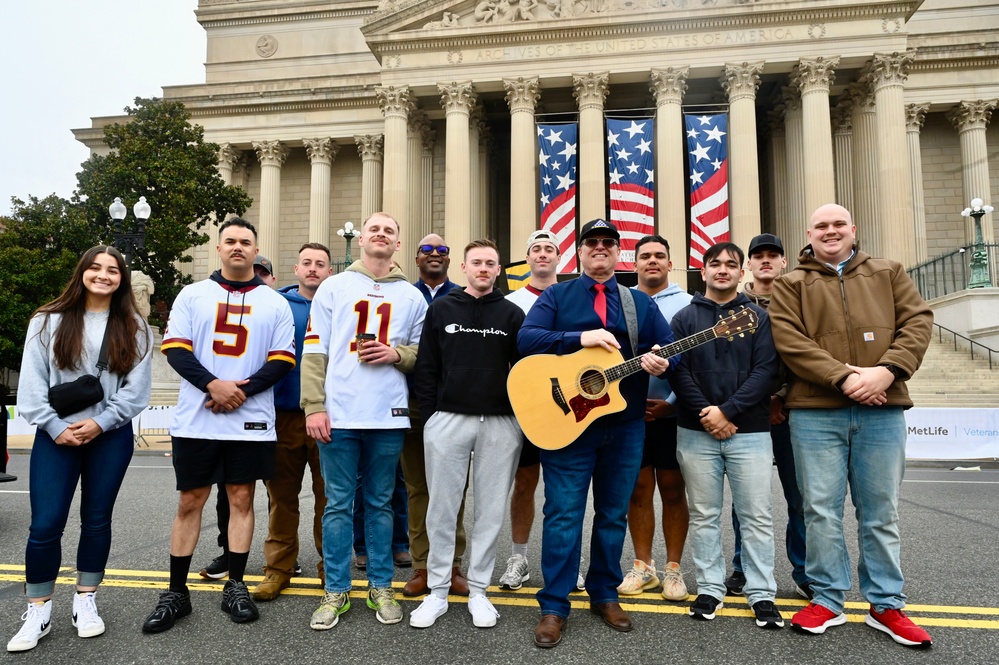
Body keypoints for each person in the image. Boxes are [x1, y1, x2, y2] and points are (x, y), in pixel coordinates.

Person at [769, 203, 934, 647]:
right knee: (819, 510)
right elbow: (789, 340)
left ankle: (885, 604)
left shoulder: (888, 272)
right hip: (815, 411)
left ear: (853, 230)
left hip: (882, 408)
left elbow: (917, 322)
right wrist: (847, 377)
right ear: (809, 233)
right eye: (821, 225)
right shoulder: (790, 284)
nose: (830, 231)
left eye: (838, 224)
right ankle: (827, 598)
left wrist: (887, 371)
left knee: (881, 512)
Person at [518, 219, 673, 649]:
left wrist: (664, 363)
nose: (600, 248)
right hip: (568, 424)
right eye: (592, 243)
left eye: (608, 242)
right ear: (580, 252)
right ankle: (554, 604)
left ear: (618, 253)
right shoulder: (557, 295)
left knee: (611, 513)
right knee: (563, 513)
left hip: (623, 426)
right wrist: (579, 336)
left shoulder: (638, 302)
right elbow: (527, 339)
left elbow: (667, 348)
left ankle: (604, 593)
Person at [142, 218, 295, 633]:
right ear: (219, 248)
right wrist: (214, 385)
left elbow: (283, 358)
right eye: (231, 241)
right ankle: (176, 593)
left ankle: (236, 585)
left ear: (256, 249)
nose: (238, 247)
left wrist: (238, 392)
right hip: (197, 418)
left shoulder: (274, 302)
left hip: (250, 420)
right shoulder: (193, 295)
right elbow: (175, 349)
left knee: (241, 498)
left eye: (246, 242)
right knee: (190, 500)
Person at [9, 246, 152, 652]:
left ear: (122, 279)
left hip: (110, 435)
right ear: (82, 272)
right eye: (95, 267)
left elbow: (135, 393)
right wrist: (55, 427)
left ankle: (85, 600)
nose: (103, 275)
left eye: (113, 270)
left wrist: (100, 422)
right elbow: (32, 386)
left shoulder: (136, 327)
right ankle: (39, 610)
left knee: (96, 521)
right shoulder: (47, 320)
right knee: (44, 525)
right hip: (56, 437)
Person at [301, 212, 427, 630]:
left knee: (379, 503)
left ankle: (381, 585)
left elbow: (423, 355)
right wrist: (313, 405)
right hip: (339, 412)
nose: (380, 234)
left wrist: (397, 354)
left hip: (388, 415)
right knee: (338, 504)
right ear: (364, 238)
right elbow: (315, 350)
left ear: (396, 244)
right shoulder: (335, 286)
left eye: (389, 230)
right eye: (374, 228)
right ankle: (336, 590)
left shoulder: (412, 295)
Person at [409, 239, 525, 629]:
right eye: (476, 262)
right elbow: (426, 367)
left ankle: (478, 591)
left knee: (490, 512)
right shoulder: (442, 308)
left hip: (499, 423)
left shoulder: (511, 314)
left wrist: (518, 418)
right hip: (448, 419)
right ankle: (438, 591)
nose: (484, 268)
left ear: (497, 269)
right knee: (441, 509)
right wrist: (431, 418)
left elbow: (524, 372)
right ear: (463, 267)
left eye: (491, 263)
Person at [670, 241, 783, 628]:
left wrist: (728, 412)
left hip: (749, 431)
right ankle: (710, 588)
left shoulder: (758, 317)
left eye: (731, 265)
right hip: (695, 431)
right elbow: (677, 370)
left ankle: (762, 592)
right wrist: (708, 414)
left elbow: (766, 370)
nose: (723, 270)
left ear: (742, 272)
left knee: (756, 515)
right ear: (702, 272)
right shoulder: (684, 318)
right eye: (715, 264)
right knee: (704, 515)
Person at [724, 233, 813, 600]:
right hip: (748, 415)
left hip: (792, 413)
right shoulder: (734, 305)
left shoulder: (800, 301)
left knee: (801, 498)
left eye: (772, 255)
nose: (765, 260)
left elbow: (805, 354)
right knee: (746, 500)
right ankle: (743, 567)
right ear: (749, 264)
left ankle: (805, 571)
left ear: (783, 262)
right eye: (758, 255)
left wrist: (781, 399)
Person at [251, 243, 334, 601]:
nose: (313, 269)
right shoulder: (277, 305)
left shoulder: (338, 304)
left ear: (330, 272)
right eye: (307, 263)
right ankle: (278, 570)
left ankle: (330, 569)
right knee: (281, 499)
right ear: (296, 269)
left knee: (329, 499)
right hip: (283, 416)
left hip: (329, 417)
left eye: (320, 264)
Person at [618, 235, 692, 602]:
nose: (652, 261)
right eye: (645, 256)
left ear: (670, 262)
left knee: (674, 490)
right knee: (638, 491)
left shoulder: (688, 304)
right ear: (634, 263)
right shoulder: (624, 300)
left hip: (671, 414)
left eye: (659, 256)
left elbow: (694, 364)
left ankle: (674, 570)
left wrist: (674, 403)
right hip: (629, 413)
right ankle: (642, 565)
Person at [199, 251, 280, 580]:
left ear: (271, 279)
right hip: (234, 409)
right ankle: (228, 553)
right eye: (254, 271)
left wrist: (238, 391)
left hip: (284, 410)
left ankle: (280, 555)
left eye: (263, 272)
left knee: (279, 492)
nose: (258, 276)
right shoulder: (218, 303)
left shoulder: (277, 306)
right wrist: (222, 391)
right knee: (230, 490)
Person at [400, 234, 469, 597]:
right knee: (418, 489)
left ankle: (453, 566)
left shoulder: (462, 296)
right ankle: (422, 566)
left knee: (453, 489)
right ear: (416, 258)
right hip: (412, 405)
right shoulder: (405, 296)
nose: (435, 255)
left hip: (454, 406)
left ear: (449, 259)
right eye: (427, 250)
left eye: (442, 250)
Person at [498, 230, 560, 591]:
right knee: (525, 483)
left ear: (558, 258)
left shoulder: (571, 297)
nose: (542, 254)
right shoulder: (513, 302)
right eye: (535, 248)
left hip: (566, 405)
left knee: (563, 486)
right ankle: (518, 557)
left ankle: (561, 560)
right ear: (527, 258)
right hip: (523, 406)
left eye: (549, 249)